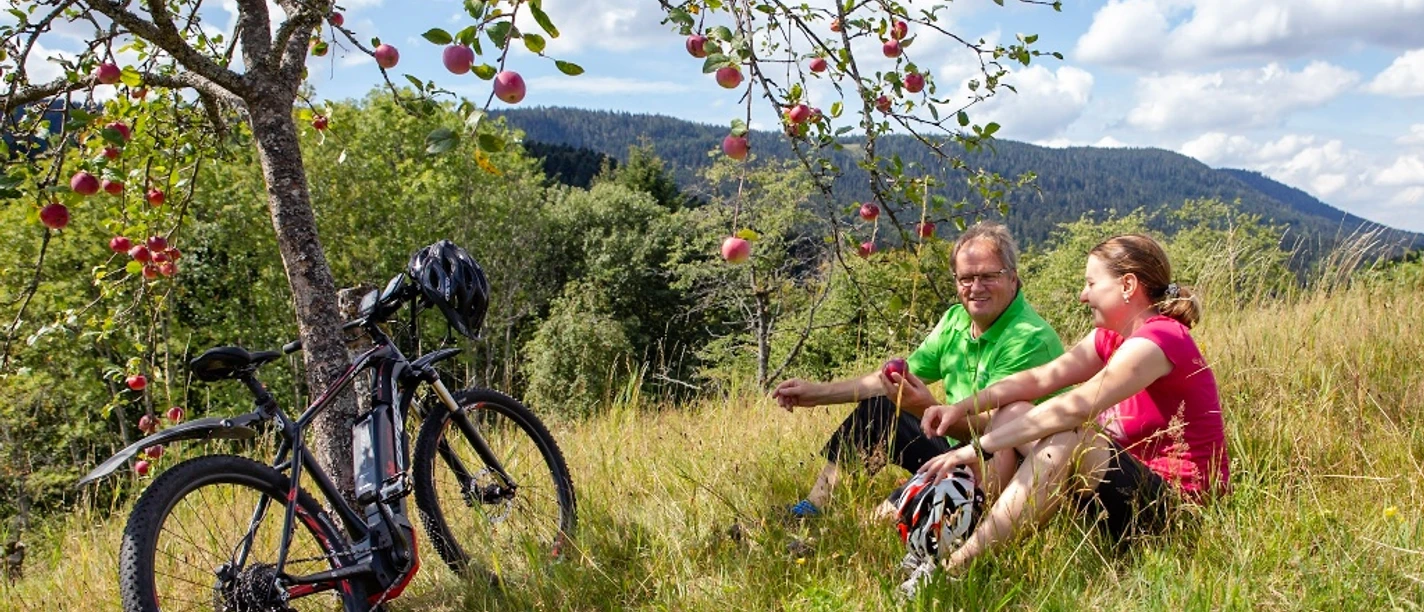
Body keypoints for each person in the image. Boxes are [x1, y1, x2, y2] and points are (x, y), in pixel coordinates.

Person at [912, 233, 1230, 588]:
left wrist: (977, 447)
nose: (1083, 295)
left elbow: (1073, 407)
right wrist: (960, 408)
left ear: (1127, 285)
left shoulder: (1159, 341)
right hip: (1119, 493)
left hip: (1174, 512)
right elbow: (1039, 380)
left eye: (1092, 283)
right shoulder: (1112, 337)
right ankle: (960, 534)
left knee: (1071, 435)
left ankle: (956, 568)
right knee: (1012, 411)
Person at [771, 221, 1065, 517]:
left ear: (1013, 279)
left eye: (989, 276)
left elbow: (999, 431)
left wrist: (929, 408)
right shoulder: (956, 320)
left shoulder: (1027, 337)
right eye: (966, 278)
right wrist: (816, 394)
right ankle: (813, 508)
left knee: (886, 521)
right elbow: (893, 381)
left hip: (1005, 468)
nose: (976, 288)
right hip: (961, 446)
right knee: (882, 407)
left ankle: (874, 527)